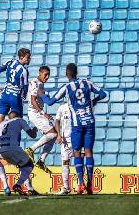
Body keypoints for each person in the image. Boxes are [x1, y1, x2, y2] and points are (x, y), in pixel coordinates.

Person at [39, 63, 106, 195]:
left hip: (78, 124)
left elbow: (50, 102)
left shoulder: (67, 87)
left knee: (76, 152)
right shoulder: (87, 82)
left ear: (66, 73)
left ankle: (80, 184)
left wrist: (42, 95)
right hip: (90, 122)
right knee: (88, 152)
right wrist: (93, 101)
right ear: (76, 72)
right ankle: (90, 185)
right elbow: (103, 94)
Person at [0, 111, 39, 196]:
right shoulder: (19, 120)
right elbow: (32, 135)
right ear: (18, 116)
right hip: (12, 149)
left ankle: (30, 189)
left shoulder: (1, 124)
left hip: (1, 151)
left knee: (23, 166)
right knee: (29, 164)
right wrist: (35, 130)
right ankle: (18, 185)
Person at [25, 66, 57, 174]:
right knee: (52, 134)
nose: (47, 77)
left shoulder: (40, 84)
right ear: (40, 73)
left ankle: (41, 161)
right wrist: (43, 113)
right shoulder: (36, 83)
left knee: (53, 136)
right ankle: (31, 149)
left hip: (37, 113)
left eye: (48, 75)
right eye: (45, 74)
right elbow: (33, 100)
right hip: (35, 113)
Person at [0, 48, 31, 126]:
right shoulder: (24, 71)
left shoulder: (10, 62)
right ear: (21, 57)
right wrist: (23, 99)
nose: (29, 59)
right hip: (15, 97)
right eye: (28, 57)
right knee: (17, 123)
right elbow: (25, 88)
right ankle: (15, 138)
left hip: (5, 95)